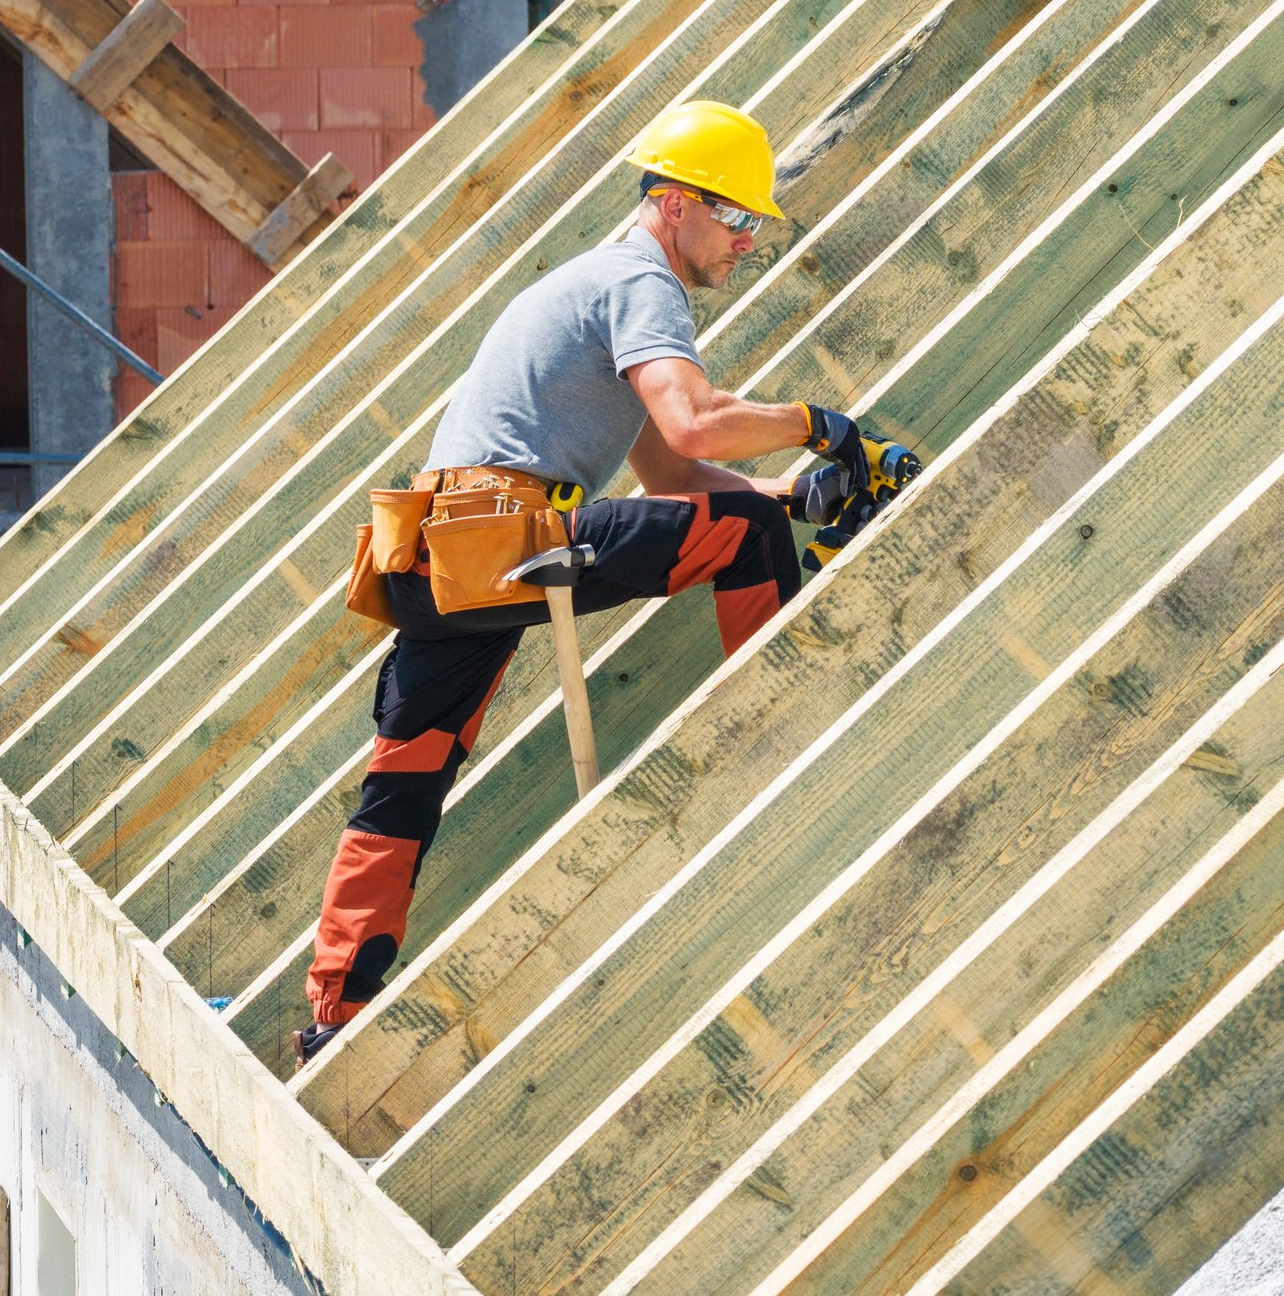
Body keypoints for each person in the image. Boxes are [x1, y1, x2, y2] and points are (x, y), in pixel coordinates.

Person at [297, 100, 919, 1065]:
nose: (747, 242)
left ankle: (333, 1014)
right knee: (745, 534)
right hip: (505, 536)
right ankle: (791, 729)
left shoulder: (589, 293)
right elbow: (697, 426)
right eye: (737, 219)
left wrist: (796, 496)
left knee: (404, 780)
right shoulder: (641, 280)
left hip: (443, 557)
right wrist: (821, 423)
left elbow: (672, 483)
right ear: (675, 204)